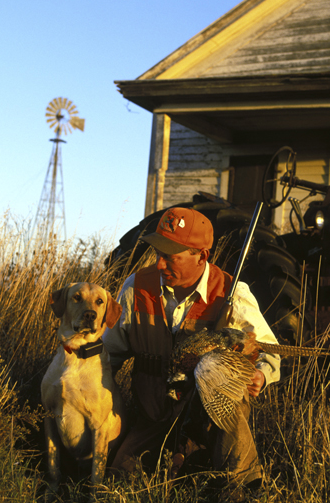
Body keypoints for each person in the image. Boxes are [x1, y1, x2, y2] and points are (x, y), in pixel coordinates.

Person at [103, 207, 280, 486]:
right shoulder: (136, 288)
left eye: (171, 257)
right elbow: (107, 355)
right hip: (154, 417)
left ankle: (243, 488)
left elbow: (267, 348)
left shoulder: (230, 292)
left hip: (211, 422)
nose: (160, 265)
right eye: (159, 254)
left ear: (202, 256)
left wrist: (261, 373)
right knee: (117, 483)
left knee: (221, 382)